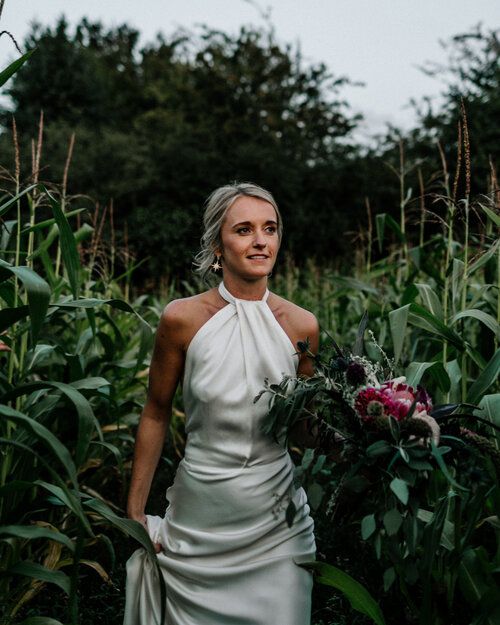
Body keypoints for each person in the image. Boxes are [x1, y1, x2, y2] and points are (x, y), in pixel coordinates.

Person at [124, 182, 318, 625]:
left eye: (270, 229)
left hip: (277, 525)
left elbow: (303, 429)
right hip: (200, 522)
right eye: (244, 230)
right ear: (217, 244)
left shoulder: (303, 325)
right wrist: (134, 511)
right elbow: (155, 412)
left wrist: (369, 424)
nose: (260, 241)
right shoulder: (181, 319)